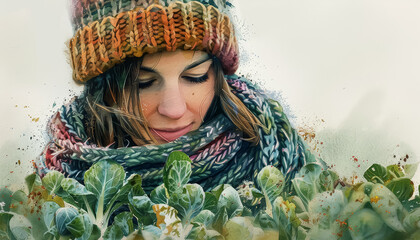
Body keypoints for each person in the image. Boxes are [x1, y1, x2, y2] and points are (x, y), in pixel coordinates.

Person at [36, 0, 322, 192]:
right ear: (102, 90)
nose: (174, 109)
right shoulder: (57, 186)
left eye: (195, 77)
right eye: (142, 83)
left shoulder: (276, 151)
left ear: (218, 75)